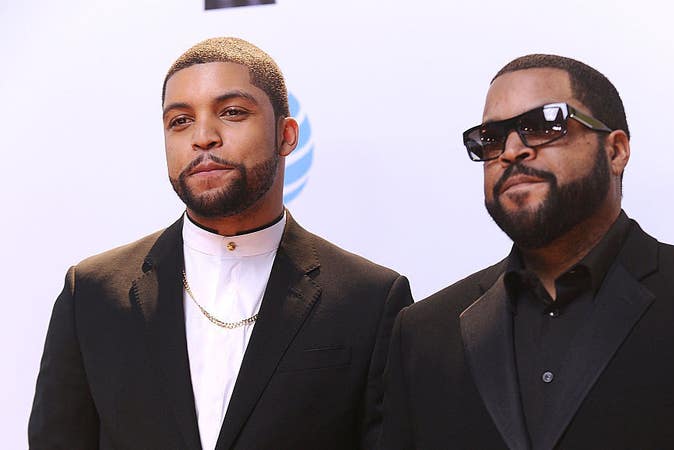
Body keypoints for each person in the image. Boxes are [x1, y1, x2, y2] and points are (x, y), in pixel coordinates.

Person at [379, 54, 674, 450]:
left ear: (615, 151)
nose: (511, 151)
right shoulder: (424, 333)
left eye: (544, 124)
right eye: (490, 139)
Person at [29, 37, 412, 450]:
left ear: (286, 135)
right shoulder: (92, 293)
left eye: (232, 112)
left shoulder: (370, 299)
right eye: (180, 121)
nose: (203, 137)